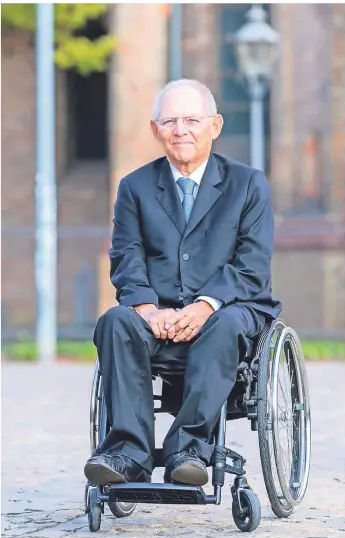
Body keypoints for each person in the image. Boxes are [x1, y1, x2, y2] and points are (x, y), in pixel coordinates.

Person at [84, 79, 282, 488]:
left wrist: (206, 304)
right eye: (170, 121)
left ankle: (189, 450)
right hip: (156, 316)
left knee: (224, 325)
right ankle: (127, 452)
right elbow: (126, 256)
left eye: (192, 119)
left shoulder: (247, 184)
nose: (181, 130)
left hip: (229, 310)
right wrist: (146, 308)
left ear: (215, 125)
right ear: (155, 130)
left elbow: (252, 264)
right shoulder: (135, 187)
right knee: (115, 321)